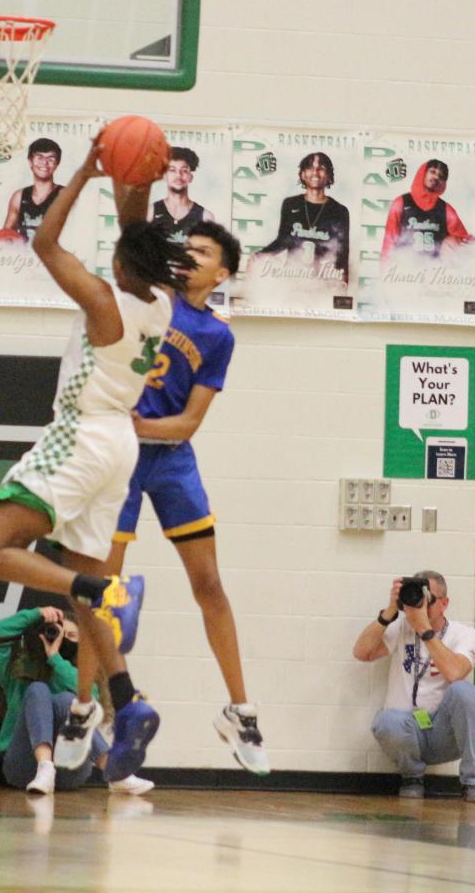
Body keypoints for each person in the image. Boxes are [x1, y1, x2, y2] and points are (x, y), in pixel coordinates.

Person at [0, 136, 193, 787]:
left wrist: (83, 171)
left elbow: (42, 241)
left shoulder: (105, 300)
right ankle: (127, 700)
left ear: (123, 266)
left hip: (80, 435)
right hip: (119, 448)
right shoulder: (160, 300)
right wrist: (133, 174)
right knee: (79, 582)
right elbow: (136, 229)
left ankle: (101, 590)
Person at [102, 221, 268, 774]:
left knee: (210, 585)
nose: (189, 256)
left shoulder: (217, 334)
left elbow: (189, 424)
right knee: (103, 588)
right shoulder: (148, 302)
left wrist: (143, 427)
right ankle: (91, 709)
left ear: (222, 273)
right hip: (119, 459)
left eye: (202, 252)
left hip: (168, 459)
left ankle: (240, 711)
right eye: (186, 248)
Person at [0, 604, 153, 796]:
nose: (62, 639)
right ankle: (45, 767)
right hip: (24, 768)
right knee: (37, 689)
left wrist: (54, 658)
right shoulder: (17, 671)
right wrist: (36, 614)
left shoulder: (82, 676)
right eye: (57, 632)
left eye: (71, 636)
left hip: (70, 769)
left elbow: (89, 700)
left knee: (68, 700)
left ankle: (116, 773)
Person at [352, 570, 475, 802]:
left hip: (445, 733)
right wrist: (388, 614)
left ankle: (473, 781)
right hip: (408, 730)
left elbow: (456, 673)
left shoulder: (464, 634)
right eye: (417, 597)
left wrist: (425, 630)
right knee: (385, 721)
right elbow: (362, 653)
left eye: (428, 599)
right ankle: (411, 777)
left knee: (465, 692)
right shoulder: (401, 628)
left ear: (444, 603)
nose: (421, 605)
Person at [259, 152, 350, 277]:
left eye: (321, 168)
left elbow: (342, 254)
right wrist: (259, 255)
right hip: (294, 276)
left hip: (324, 280)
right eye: (310, 168)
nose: (315, 172)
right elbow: (282, 241)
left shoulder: (339, 211)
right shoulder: (290, 204)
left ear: (329, 175)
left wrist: (342, 286)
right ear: (302, 174)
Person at [380, 159, 474, 260]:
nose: (436, 177)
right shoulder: (401, 203)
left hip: (436, 270)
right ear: (423, 173)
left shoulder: (446, 209)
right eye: (433, 172)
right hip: (405, 269)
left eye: (441, 176)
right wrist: (385, 270)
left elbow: (463, 239)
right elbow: (389, 242)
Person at [0, 137, 63, 243]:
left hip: (55, 258)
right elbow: (6, 235)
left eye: (51, 158)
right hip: (25, 258)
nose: (45, 163)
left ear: (57, 163)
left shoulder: (66, 195)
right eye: (39, 157)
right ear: (30, 161)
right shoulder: (19, 197)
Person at [151, 147, 213, 243]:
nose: (178, 175)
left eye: (184, 170)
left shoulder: (205, 217)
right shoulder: (150, 212)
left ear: (191, 177)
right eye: (172, 170)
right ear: (164, 176)